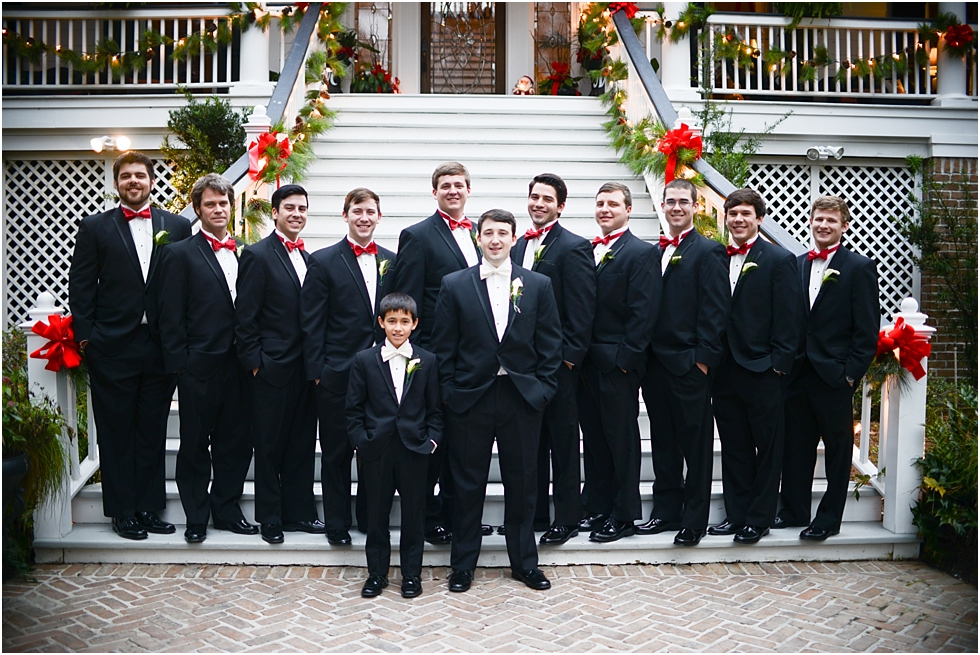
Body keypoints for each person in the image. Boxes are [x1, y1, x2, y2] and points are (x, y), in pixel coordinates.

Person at [431, 209, 562, 593]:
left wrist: (542, 390)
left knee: (522, 484)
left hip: (521, 397)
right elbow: (443, 346)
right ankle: (463, 565)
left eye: (502, 233)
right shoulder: (454, 284)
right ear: (478, 238)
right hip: (470, 398)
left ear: (513, 238)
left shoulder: (537, 284)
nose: (495, 240)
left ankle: (524, 563)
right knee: (466, 484)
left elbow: (550, 344)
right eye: (488, 233)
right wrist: (452, 394)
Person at [69, 151, 191, 540]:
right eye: (126, 176)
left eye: (140, 175)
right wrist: (88, 339)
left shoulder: (177, 226)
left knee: (152, 431)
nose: (133, 181)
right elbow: (82, 286)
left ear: (152, 181)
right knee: (117, 431)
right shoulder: (95, 227)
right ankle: (122, 511)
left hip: (160, 346)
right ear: (117, 182)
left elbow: (185, 286)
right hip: (112, 347)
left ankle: (149, 507)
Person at [157, 174, 257, 543]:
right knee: (195, 444)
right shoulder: (178, 253)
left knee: (236, 443)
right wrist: (181, 363)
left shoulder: (246, 250)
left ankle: (227, 512)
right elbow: (169, 315)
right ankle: (196, 516)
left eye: (224, 203)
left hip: (241, 365)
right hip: (199, 366)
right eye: (211, 204)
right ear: (198, 210)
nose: (219, 209)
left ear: (232, 207)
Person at [388, 162, 481, 545]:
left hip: (473, 358)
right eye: (446, 186)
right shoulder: (418, 235)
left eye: (459, 185)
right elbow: (407, 300)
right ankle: (427, 517)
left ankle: (457, 516)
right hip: (434, 357)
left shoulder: (480, 234)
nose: (453, 191)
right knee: (433, 442)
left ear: (469, 190)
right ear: (435, 191)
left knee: (462, 445)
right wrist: (419, 355)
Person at [777, 195, 879, 541]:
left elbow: (866, 330)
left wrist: (850, 373)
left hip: (834, 376)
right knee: (795, 447)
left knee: (837, 452)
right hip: (797, 373)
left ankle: (828, 519)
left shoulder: (859, 267)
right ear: (811, 221)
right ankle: (792, 510)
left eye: (831, 221)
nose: (824, 225)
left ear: (843, 226)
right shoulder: (797, 263)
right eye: (819, 219)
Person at [707, 189, 801, 545]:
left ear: (759, 218)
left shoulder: (779, 259)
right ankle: (736, 514)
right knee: (734, 447)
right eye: (733, 214)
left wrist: (778, 365)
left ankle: (759, 519)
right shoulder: (716, 256)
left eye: (746, 213)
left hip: (763, 369)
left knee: (767, 447)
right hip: (725, 369)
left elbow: (789, 318)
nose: (738, 220)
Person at [301, 188, 395, 545]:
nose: (364, 217)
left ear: (379, 217)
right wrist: (318, 372)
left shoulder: (392, 259)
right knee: (337, 452)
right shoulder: (323, 261)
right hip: (337, 374)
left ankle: (371, 520)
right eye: (357, 211)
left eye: (371, 211)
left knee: (375, 454)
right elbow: (312, 322)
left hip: (381, 374)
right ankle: (336, 523)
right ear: (346, 215)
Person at [638, 178, 729, 546]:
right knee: (662, 442)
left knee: (696, 446)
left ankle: (694, 520)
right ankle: (665, 512)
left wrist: (702, 362)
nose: (676, 207)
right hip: (655, 365)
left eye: (682, 202)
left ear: (695, 207)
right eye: (670, 201)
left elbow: (715, 309)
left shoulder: (708, 252)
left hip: (689, 365)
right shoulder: (652, 252)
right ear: (662, 205)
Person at [235, 184, 323, 544]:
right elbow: (246, 316)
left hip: (307, 369)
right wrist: (255, 363)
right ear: (275, 212)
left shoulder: (310, 258)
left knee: (302, 444)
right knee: (269, 445)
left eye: (302, 208)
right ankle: (270, 517)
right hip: (272, 368)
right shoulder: (257, 255)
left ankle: (299, 513)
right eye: (289, 208)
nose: (297, 214)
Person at [512, 173, 596, 545]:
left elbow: (581, 310)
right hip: (522, 366)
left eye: (547, 199)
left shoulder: (574, 247)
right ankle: (536, 514)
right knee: (531, 445)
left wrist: (568, 361)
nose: (539, 204)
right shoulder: (516, 247)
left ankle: (567, 518)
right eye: (534, 197)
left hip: (558, 365)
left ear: (560, 206)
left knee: (563, 443)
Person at [576, 182, 661, 543]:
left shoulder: (640, 253)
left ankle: (624, 515)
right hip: (587, 363)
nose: (605, 209)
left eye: (613, 204)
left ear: (628, 210)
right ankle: (597, 506)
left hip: (617, 363)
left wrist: (625, 360)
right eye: (600, 204)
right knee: (594, 440)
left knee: (621, 440)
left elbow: (644, 311)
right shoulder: (588, 250)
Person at [346, 293, 443, 599]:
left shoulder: (428, 361)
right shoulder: (364, 360)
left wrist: (431, 441)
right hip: (377, 450)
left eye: (404, 321)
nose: (397, 328)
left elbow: (436, 410)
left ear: (414, 324)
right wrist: (362, 442)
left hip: (414, 450)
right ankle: (377, 574)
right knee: (376, 516)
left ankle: (411, 575)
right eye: (391, 321)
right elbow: (353, 410)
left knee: (415, 515)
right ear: (381, 323)